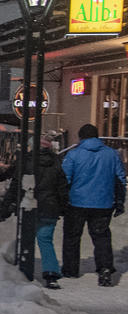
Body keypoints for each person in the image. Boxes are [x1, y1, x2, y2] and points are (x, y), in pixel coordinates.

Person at [61, 123, 126, 287]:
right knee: (101, 237)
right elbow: (120, 179)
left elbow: (64, 179)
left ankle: (70, 269)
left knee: (72, 236)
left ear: (81, 137)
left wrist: (62, 200)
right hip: (104, 203)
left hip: (76, 202)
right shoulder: (112, 154)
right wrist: (119, 201)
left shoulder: (74, 154)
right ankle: (104, 268)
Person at [3, 136, 69, 288]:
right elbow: (62, 187)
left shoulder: (26, 161)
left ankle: (23, 270)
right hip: (50, 207)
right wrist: (64, 207)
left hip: (30, 205)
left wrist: (7, 204)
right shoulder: (56, 162)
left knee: (26, 239)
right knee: (46, 241)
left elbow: (16, 184)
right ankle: (51, 274)